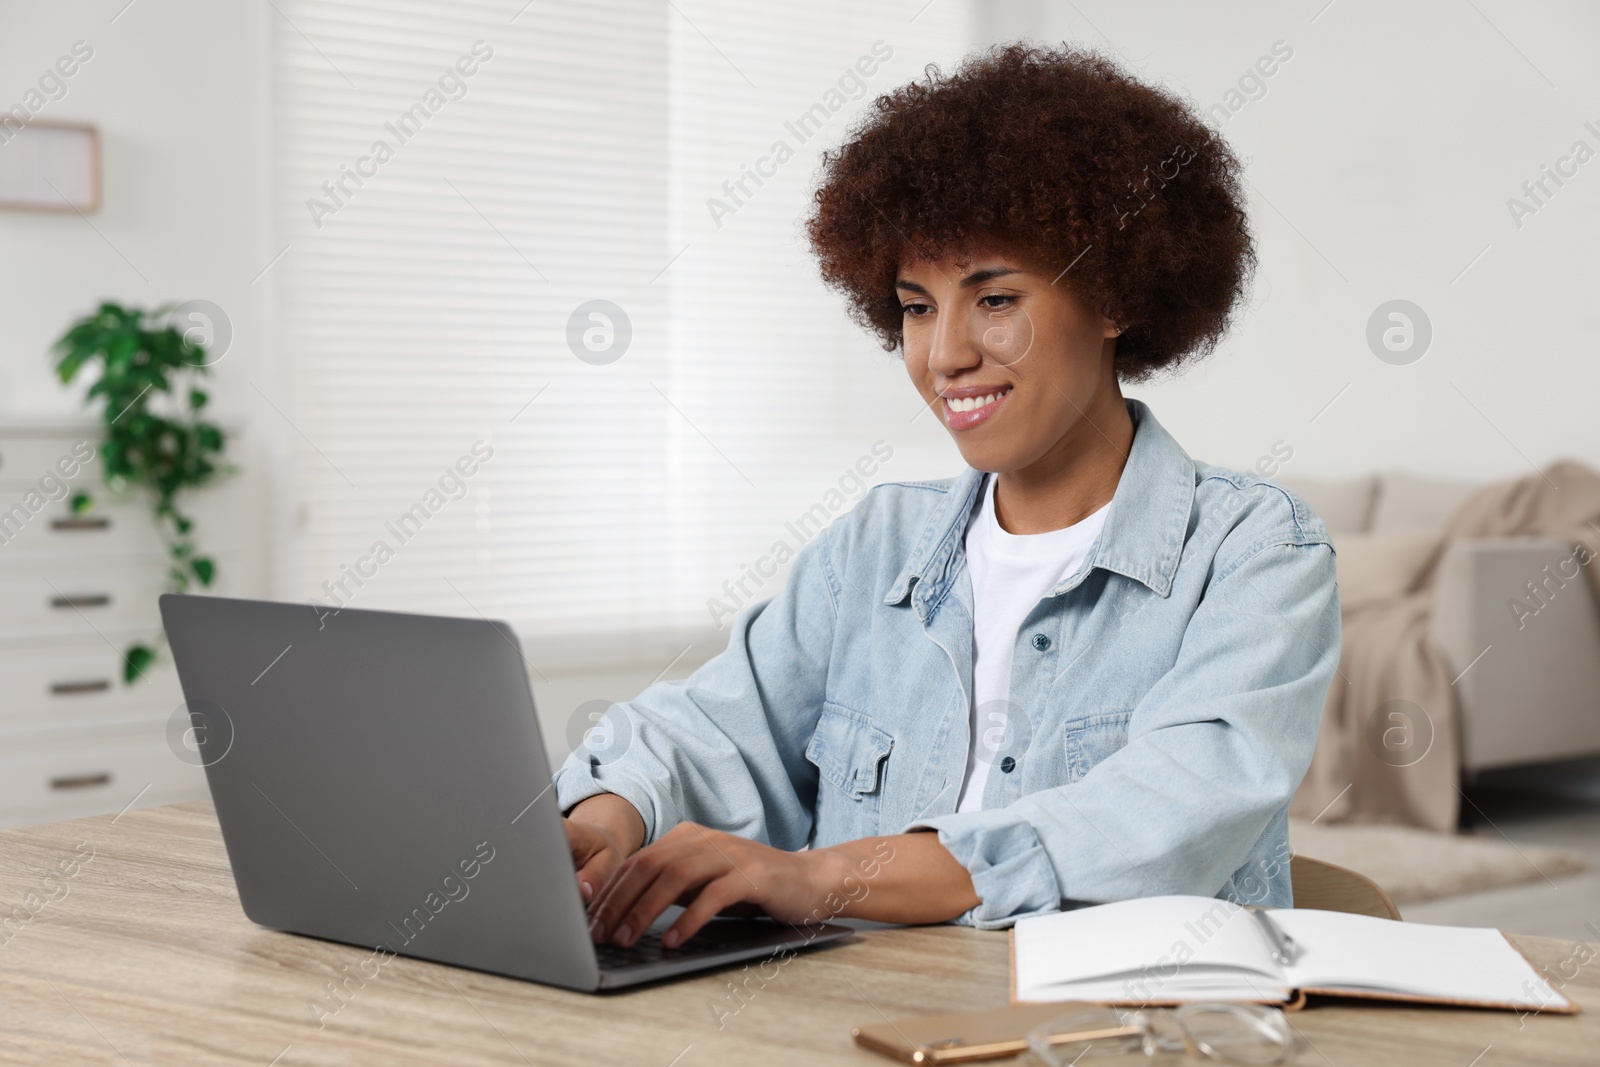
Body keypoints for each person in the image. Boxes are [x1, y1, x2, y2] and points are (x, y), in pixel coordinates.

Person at [559, 43, 1339, 951]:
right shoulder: (878, 545)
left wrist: (821, 874)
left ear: (1115, 294)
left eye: (995, 298)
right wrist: (603, 821)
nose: (945, 356)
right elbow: (713, 727)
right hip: (865, 1018)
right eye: (916, 307)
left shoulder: (1252, 551)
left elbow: (1166, 817)